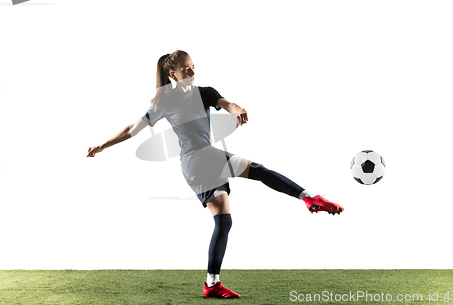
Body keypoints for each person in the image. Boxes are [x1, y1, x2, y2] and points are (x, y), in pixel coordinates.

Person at [87, 50, 344, 298]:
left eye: (193, 65)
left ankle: (212, 283)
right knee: (260, 172)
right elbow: (133, 128)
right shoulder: (165, 102)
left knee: (224, 221)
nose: (191, 70)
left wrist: (238, 110)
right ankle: (310, 197)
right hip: (199, 157)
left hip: (195, 165)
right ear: (173, 74)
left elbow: (227, 103)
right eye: (185, 67)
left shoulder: (205, 93)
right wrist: (102, 145)